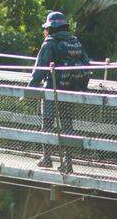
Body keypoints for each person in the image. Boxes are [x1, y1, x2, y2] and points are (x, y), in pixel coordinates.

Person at [28, 11, 91, 172]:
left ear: (50, 28)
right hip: (71, 88)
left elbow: (40, 69)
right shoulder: (75, 42)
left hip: (52, 89)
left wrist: (31, 88)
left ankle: (47, 158)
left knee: (47, 122)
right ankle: (68, 162)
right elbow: (86, 63)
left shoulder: (49, 43)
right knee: (67, 125)